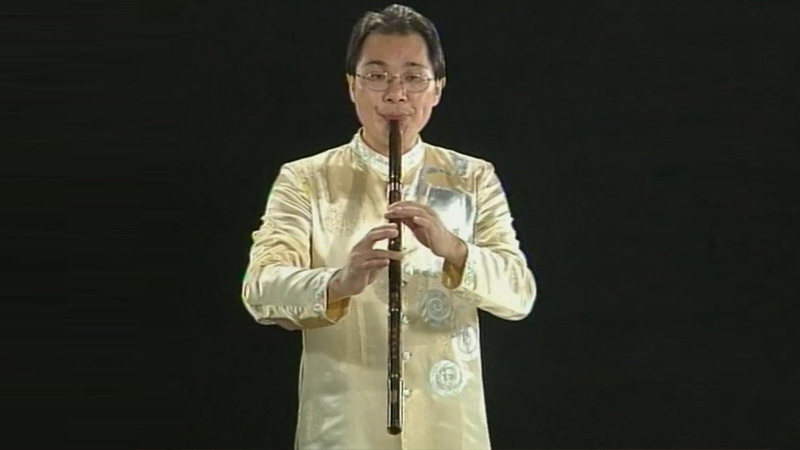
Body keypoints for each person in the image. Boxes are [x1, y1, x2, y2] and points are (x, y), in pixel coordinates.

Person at [241, 4, 536, 449]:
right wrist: (339, 282)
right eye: (377, 76)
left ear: (437, 89)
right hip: (343, 429)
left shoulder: (472, 177)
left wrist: (454, 249)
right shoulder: (305, 179)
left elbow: (519, 294)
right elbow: (260, 289)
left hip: (450, 429)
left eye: (414, 77)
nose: (396, 94)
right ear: (352, 86)